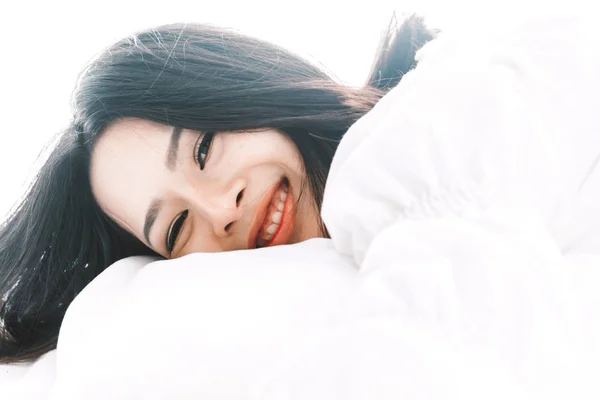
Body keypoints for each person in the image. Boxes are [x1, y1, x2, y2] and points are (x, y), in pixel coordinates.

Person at [0, 15, 436, 362]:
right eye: (176, 228)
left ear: (252, 90)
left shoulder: (447, 85)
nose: (221, 210)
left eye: (204, 150)